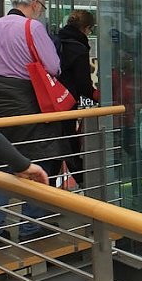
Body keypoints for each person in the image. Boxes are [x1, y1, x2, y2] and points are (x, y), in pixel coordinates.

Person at [0, 0, 70, 242]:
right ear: (36, 4)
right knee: (41, 153)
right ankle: (31, 227)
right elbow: (52, 66)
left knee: (2, 157)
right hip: (27, 98)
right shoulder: (32, 27)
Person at [55, 10, 97, 183]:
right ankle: (81, 180)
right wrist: (97, 96)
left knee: (55, 142)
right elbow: (83, 85)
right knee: (68, 143)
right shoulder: (78, 48)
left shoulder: (56, 40)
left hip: (50, 99)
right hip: (67, 101)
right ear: (86, 28)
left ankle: (46, 188)